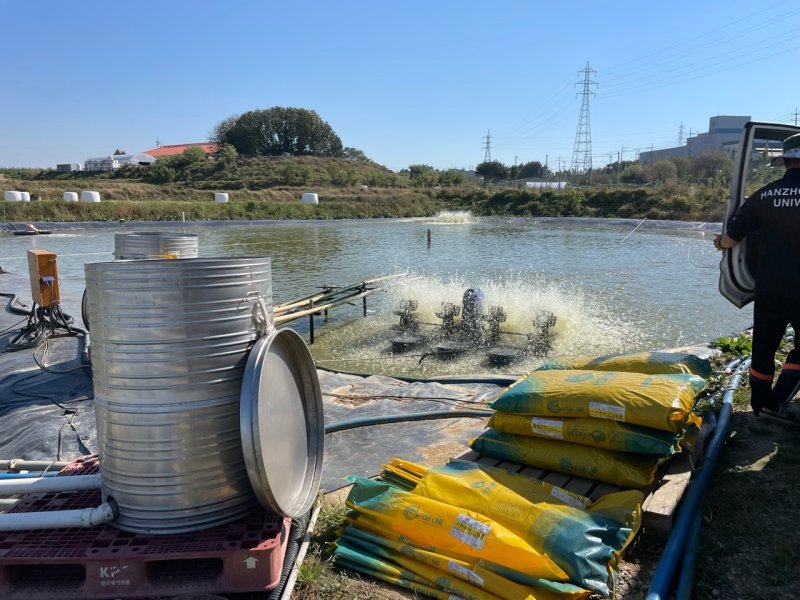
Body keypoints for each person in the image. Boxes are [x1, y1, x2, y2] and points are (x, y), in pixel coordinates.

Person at [714, 132, 800, 420]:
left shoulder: (764, 195)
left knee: (763, 348)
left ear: (785, 161)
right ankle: (777, 402)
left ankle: (760, 406)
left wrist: (720, 242)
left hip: (769, 287)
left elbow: (732, 238)